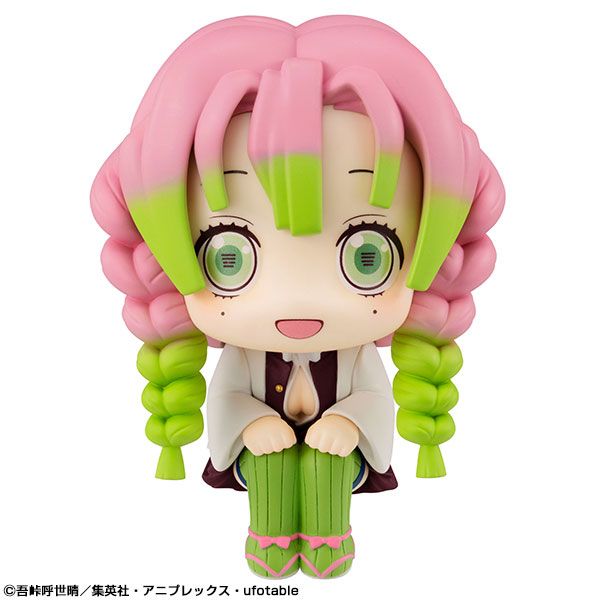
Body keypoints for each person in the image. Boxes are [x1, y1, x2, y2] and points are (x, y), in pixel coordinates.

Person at [91, 14, 504, 579]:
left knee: (325, 468)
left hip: (343, 459)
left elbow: (374, 398)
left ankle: (330, 544)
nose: (298, 299)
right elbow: (227, 398)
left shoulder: (356, 354)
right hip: (260, 456)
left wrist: (353, 423)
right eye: (229, 256)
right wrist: (248, 423)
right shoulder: (245, 355)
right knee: (272, 465)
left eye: (368, 254)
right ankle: (270, 543)